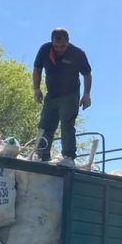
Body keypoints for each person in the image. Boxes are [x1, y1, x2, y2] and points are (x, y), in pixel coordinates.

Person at [32, 27, 92, 163]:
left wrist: (86, 94)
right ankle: (42, 155)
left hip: (70, 95)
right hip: (52, 94)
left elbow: (87, 74)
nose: (59, 48)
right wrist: (36, 88)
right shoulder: (45, 50)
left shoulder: (77, 54)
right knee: (45, 124)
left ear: (68, 41)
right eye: (56, 45)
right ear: (52, 42)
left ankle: (68, 157)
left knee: (67, 124)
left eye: (63, 46)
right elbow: (37, 69)